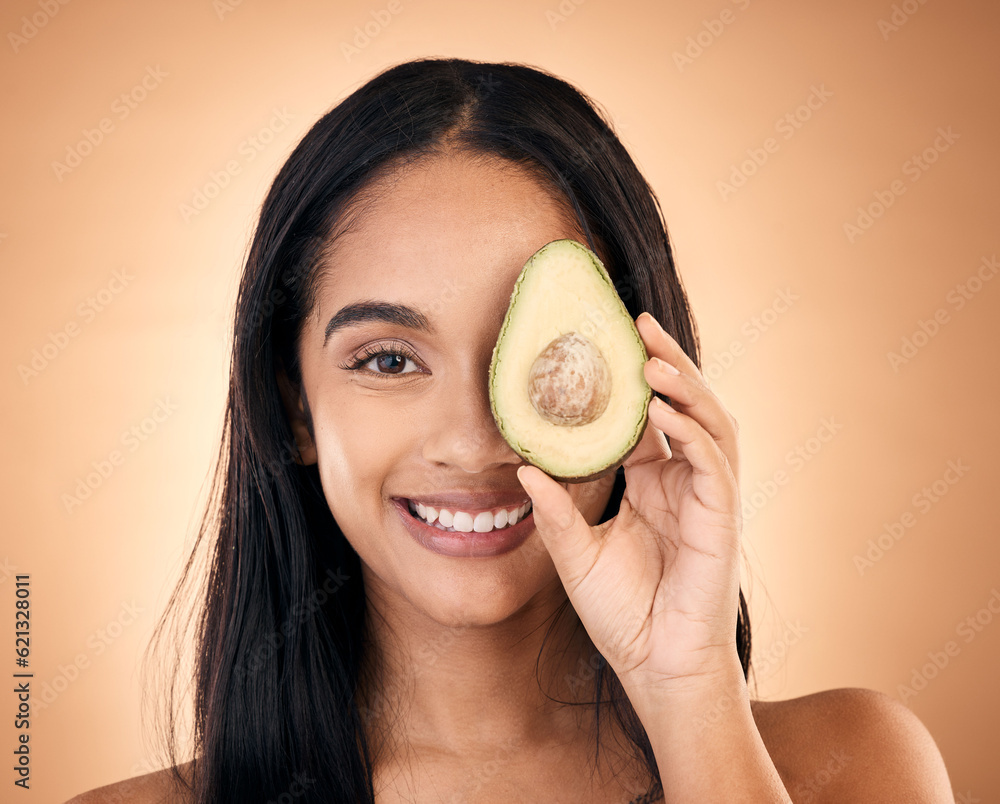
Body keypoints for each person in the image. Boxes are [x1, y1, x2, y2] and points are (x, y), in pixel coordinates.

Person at [68, 57, 954, 803]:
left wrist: (688, 689)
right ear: (296, 409)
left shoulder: (856, 766)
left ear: (643, 385)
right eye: (388, 360)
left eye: (544, 360)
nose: (472, 440)